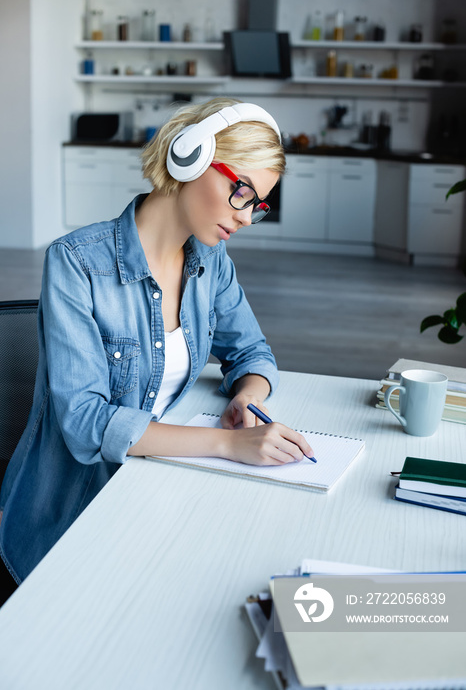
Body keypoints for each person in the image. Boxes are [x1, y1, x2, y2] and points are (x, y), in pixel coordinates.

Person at [0, 97, 313, 595]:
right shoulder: (76, 263)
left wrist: (247, 399)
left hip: (161, 483)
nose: (248, 217)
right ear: (189, 156)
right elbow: (84, 422)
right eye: (242, 193)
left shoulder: (212, 261)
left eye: (258, 204)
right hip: (76, 510)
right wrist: (229, 444)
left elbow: (251, 352)